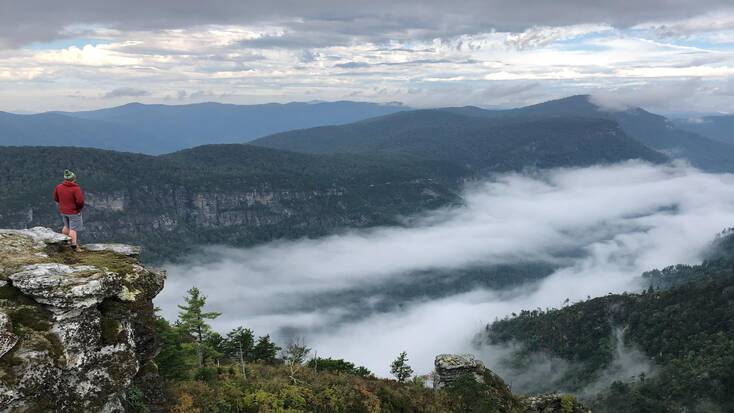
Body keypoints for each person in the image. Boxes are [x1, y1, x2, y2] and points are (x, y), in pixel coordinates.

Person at [53, 169, 85, 250]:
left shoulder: (59, 187)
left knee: (67, 226)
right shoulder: (75, 188)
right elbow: (80, 201)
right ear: (73, 179)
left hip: (63, 210)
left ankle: (64, 240)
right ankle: (74, 246)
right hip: (73, 212)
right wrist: (78, 208)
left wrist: (63, 204)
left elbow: (55, 198)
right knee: (73, 229)